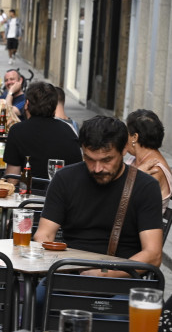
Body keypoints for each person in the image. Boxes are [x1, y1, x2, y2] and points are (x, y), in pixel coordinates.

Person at [34, 116, 163, 276]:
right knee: (35, 300)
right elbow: (44, 234)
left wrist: (106, 274)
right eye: (89, 159)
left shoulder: (145, 186)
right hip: (69, 271)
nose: (97, 168)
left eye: (106, 159)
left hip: (121, 278)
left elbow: (153, 255)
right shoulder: (64, 179)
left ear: (124, 149)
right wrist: (56, 264)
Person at [2, 81, 82, 180]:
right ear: (54, 108)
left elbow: (12, 179)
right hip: (60, 192)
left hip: (29, 192)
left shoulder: (17, 130)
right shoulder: (68, 129)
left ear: (27, 104)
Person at [125, 109, 172, 210]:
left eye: (126, 133)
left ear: (134, 137)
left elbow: (131, 206)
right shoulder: (135, 159)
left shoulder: (155, 169)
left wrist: (135, 176)